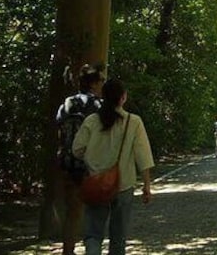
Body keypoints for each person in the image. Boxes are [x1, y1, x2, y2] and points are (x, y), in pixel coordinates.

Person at [72, 79, 154, 255]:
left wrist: (92, 160)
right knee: (118, 237)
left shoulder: (92, 121)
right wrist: (146, 185)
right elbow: (143, 155)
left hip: (96, 182)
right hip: (123, 184)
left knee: (93, 234)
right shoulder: (134, 121)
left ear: (103, 97)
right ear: (123, 98)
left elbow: (77, 149)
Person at [55, 63, 104, 255]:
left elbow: (59, 129)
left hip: (68, 162)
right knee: (95, 211)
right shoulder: (98, 106)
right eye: (101, 81)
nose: (102, 84)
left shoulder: (67, 103)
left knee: (72, 211)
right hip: (92, 164)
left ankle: (68, 250)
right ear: (93, 84)